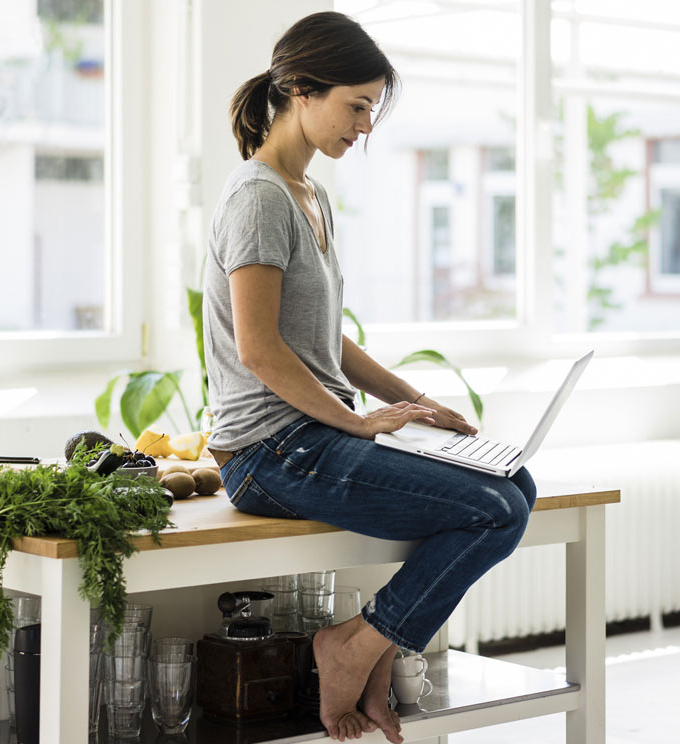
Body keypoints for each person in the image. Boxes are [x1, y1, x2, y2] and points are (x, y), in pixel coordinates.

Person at [202, 11, 538, 743]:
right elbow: (260, 351)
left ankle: (372, 643)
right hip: (269, 454)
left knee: (516, 486)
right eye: (357, 105)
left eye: (371, 108)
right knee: (494, 509)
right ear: (299, 89)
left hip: (312, 438)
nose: (366, 126)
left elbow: (329, 342)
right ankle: (355, 647)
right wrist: (357, 420)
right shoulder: (257, 197)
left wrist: (413, 402)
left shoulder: (309, 196)